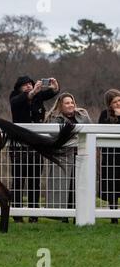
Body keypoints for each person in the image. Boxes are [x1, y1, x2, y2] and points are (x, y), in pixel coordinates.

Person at [9, 76, 60, 223]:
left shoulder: (38, 97)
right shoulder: (15, 97)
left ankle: (33, 214)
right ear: (19, 88)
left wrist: (55, 86)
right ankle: (17, 214)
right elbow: (17, 102)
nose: (28, 87)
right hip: (19, 146)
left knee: (34, 180)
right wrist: (32, 93)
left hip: (36, 146)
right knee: (18, 180)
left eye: (30, 84)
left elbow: (52, 93)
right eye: (25, 85)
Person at [45, 93, 92, 223]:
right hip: (63, 157)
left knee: (79, 186)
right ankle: (62, 216)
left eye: (72, 102)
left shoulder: (82, 116)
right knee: (63, 186)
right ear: (61, 105)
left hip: (81, 155)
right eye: (67, 103)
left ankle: (80, 215)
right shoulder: (54, 118)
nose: (70, 105)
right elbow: (53, 135)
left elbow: (90, 132)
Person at [98, 89, 120, 224]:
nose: (118, 103)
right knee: (112, 184)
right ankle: (113, 216)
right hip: (111, 156)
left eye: (119, 100)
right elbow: (101, 131)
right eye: (114, 102)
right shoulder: (104, 115)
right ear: (109, 104)